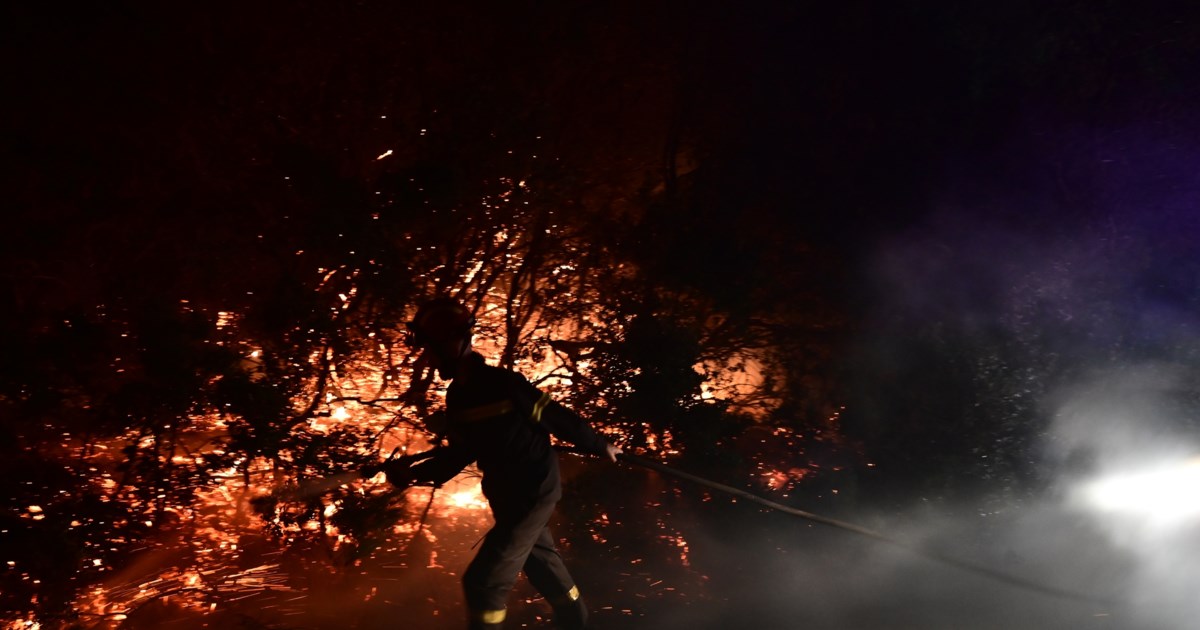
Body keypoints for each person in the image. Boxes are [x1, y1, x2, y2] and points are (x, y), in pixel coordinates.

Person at [383, 297, 622, 629]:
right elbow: (459, 453)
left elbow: (554, 416)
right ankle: (575, 620)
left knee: (483, 582)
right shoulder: (458, 397)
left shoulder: (503, 383)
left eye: (430, 348)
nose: (427, 357)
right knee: (542, 567)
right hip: (507, 496)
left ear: (453, 342)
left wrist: (599, 444)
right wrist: (412, 475)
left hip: (533, 491)